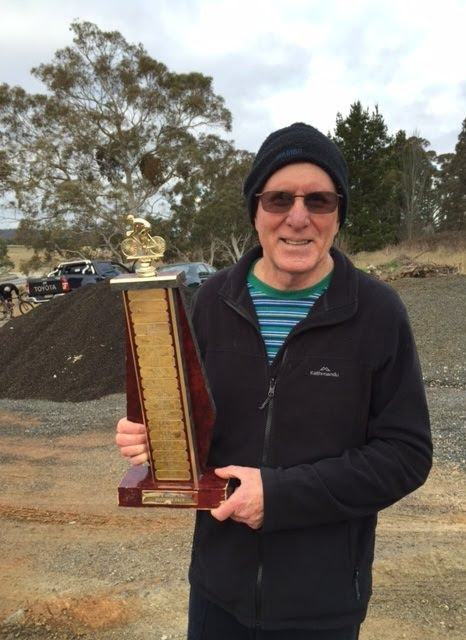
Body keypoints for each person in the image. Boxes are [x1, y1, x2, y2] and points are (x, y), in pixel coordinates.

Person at [116, 123, 432, 640]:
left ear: (338, 213)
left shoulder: (377, 312)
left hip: (323, 605)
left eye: (320, 200)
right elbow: (193, 422)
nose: (298, 218)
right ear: (256, 211)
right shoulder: (211, 302)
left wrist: (281, 496)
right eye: (279, 198)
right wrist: (159, 439)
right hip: (218, 593)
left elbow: (406, 455)